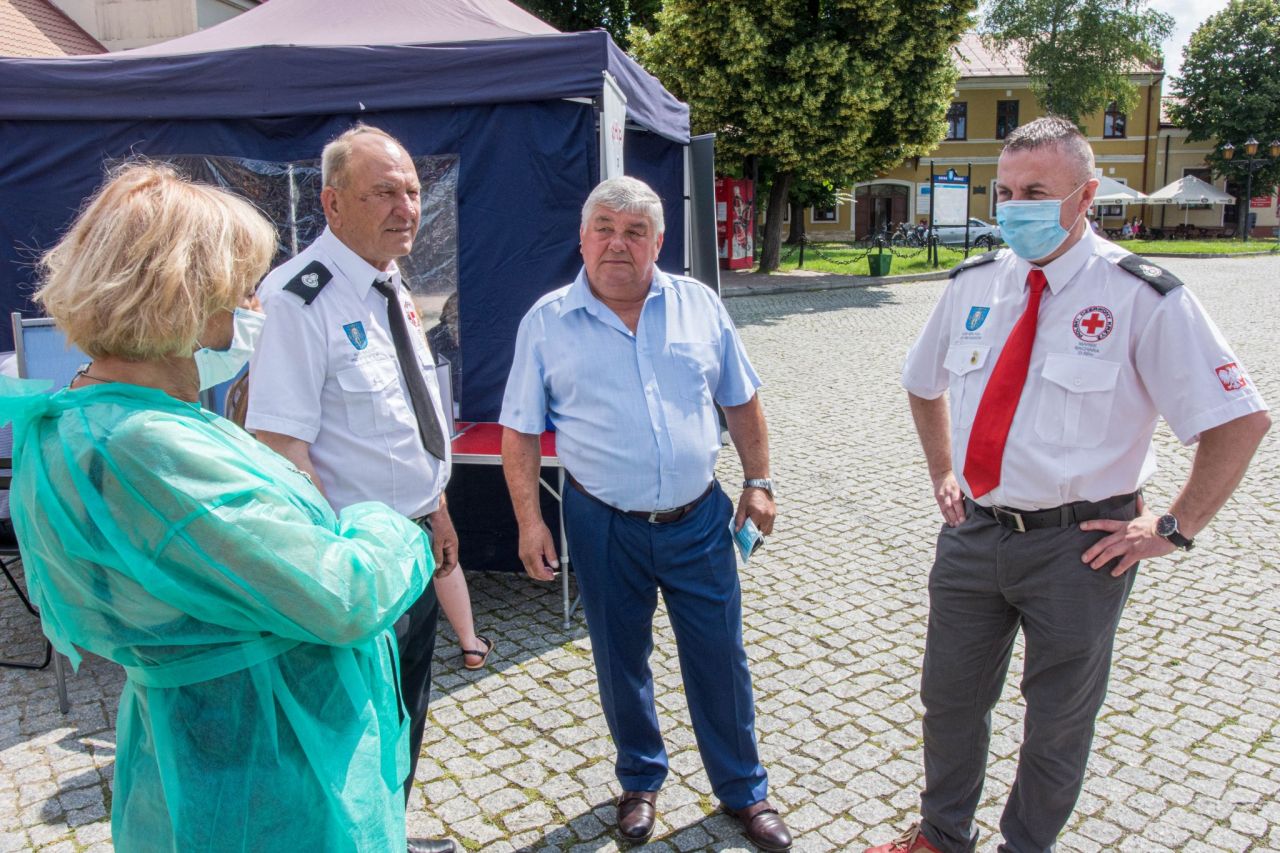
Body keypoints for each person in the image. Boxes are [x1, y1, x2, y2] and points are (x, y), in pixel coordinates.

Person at [0, 162, 437, 851]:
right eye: (237, 289)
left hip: (199, 751)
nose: (251, 306)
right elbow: (342, 594)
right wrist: (389, 524)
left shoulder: (74, 421)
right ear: (183, 294)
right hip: (267, 766)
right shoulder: (147, 445)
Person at [867, 115, 1270, 853]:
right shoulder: (974, 283)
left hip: (1080, 547)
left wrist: (1174, 526)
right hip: (974, 533)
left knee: (1056, 720)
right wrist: (942, 470)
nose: (1013, 207)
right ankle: (940, 837)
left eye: (1035, 193)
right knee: (949, 700)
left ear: (1085, 196)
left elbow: (1239, 419)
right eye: (1005, 192)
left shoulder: (1140, 295)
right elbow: (923, 383)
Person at [500, 176, 793, 852]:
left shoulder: (699, 305)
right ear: (582, 239)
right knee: (620, 658)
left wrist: (759, 481)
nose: (617, 244)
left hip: (699, 520)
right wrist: (529, 520)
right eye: (604, 228)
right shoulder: (547, 321)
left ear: (658, 242)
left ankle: (744, 789)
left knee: (720, 656)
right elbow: (520, 430)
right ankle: (639, 779)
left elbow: (741, 399)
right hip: (602, 522)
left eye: (635, 232)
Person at [246, 125, 476, 853]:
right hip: (355, 566)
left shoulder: (390, 282)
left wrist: (437, 508)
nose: (406, 207)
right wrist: (335, 573)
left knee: (405, 710)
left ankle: (388, 835)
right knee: (354, 728)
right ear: (333, 203)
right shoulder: (298, 299)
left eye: (411, 190)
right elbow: (283, 449)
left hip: (413, 543)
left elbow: (408, 417)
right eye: (384, 192)